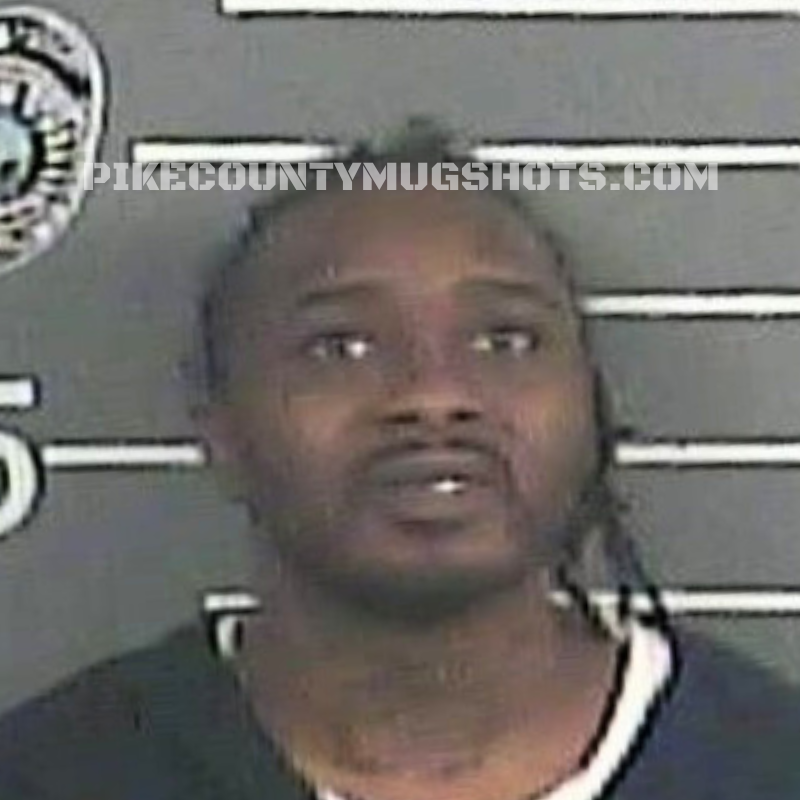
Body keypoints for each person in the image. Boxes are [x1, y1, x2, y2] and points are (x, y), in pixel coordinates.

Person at [1, 122, 799, 800]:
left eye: (505, 340)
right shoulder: (58, 774)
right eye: (341, 346)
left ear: (591, 404)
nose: (433, 395)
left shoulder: (765, 765)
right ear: (219, 424)